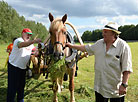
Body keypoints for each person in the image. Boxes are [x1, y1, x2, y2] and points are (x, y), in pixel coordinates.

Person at [66, 22, 133, 102]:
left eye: (105, 32)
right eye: (103, 31)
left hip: (116, 89)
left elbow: (127, 68)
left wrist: (124, 85)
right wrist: (71, 45)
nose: (103, 34)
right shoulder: (99, 44)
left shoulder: (123, 46)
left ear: (113, 33)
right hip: (100, 88)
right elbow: (86, 48)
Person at [7, 28, 41, 102]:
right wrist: (34, 41)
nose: (28, 36)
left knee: (21, 86)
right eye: (27, 34)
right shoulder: (18, 40)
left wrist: (38, 51)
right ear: (22, 33)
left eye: (30, 35)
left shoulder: (30, 44)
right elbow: (22, 45)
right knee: (12, 88)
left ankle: (20, 100)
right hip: (14, 67)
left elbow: (34, 51)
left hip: (23, 68)